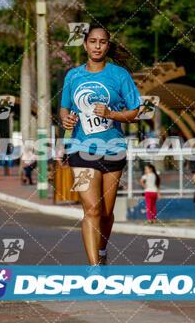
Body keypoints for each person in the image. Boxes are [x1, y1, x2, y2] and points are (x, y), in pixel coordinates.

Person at [60, 25, 141, 266]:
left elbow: (135, 112)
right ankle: (94, 268)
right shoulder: (73, 76)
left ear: (107, 46)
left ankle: (103, 252)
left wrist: (111, 114)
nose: (97, 46)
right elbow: (65, 107)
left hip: (113, 150)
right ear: (85, 45)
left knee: (105, 213)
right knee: (92, 210)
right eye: (93, 41)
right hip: (80, 149)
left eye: (102, 42)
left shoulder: (119, 75)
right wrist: (65, 118)